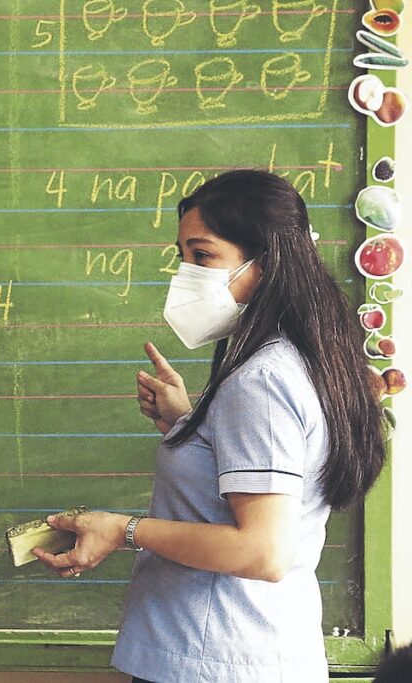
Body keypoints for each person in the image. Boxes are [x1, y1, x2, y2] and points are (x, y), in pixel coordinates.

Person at [33, 170, 387, 682]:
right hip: (259, 648)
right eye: (183, 256)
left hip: (215, 656)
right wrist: (188, 427)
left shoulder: (262, 379)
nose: (187, 274)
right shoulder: (310, 358)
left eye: (203, 256)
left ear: (265, 263)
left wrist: (123, 530)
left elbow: (261, 550)